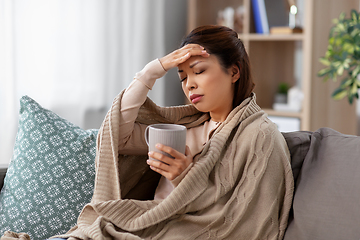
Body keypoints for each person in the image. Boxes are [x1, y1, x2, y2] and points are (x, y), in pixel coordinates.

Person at [2, 25, 294, 240]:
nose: (189, 84)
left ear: (234, 72)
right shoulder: (187, 127)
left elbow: (241, 218)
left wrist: (184, 175)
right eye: (182, 77)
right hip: (143, 224)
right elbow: (120, 135)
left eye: (199, 71)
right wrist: (154, 70)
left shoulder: (260, 136)